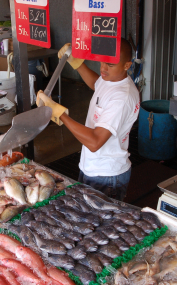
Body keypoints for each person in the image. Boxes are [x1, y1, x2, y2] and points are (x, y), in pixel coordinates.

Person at [37, 39, 140, 201]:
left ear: (127, 65)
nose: (103, 69)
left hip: (107, 176)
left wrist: (58, 112)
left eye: (110, 65)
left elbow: (95, 142)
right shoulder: (111, 79)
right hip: (92, 167)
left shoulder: (122, 98)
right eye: (102, 62)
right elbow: (96, 83)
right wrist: (77, 63)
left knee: (101, 224)